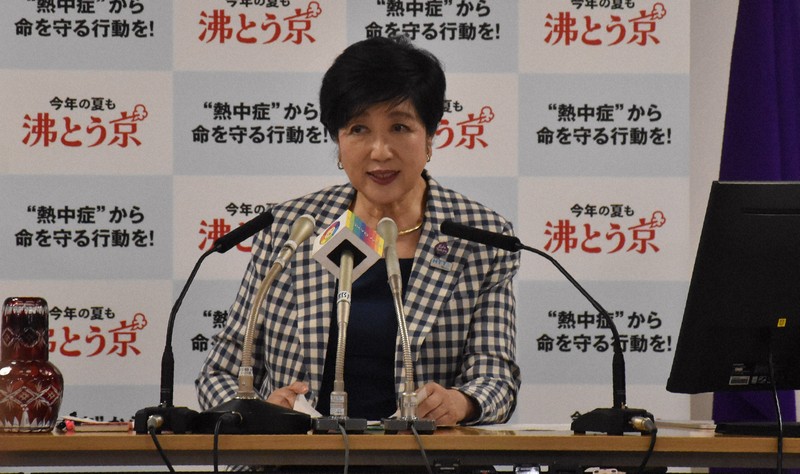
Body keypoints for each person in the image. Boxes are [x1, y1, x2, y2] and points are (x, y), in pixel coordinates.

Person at [196, 36, 521, 427]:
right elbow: (219, 374)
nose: (380, 151)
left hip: (424, 454)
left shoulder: (480, 237)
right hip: (300, 454)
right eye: (359, 129)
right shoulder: (291, 228)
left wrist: (460, 402)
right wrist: (261, 410)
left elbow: (496, 379)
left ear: (430, 136)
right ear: (338, 140)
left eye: (399, 127)